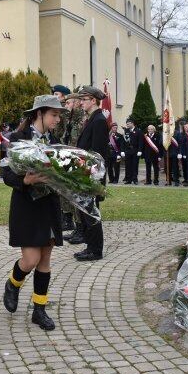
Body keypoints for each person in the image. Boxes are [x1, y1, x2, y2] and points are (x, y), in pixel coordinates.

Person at [2, 95, 66, 331]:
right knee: (31, 259)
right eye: (54, 114)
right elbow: (6, 175)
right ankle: (13, 283)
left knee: (45, 261)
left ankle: (39, 310)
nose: (57, 119)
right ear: (39, 114)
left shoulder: (55, 141)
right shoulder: (18, 139)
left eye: (59, 115)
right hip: (27, 207)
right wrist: (25, 180)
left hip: (49, 206)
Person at [73, 86, 108, 261]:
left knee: (91, 213)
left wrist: (93, 179)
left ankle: (95, 250)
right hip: (85, 174)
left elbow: (98, 154)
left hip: (91, 176)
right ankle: (90, 246)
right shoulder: (93, 119)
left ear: (93, 100)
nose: (80, 103)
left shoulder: (99, 120)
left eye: (84, 99)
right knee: (85, 212)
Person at [122, 118, 141, 184]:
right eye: (126, 124)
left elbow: (140, 142)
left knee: (135, 165)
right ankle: (128, 179)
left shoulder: (138, 131)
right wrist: (122, 151)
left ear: (132, 123)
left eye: (128, 124)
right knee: (128, 166)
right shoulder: (126, 131)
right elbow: (123, 142)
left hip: (135, 151)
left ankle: (135, 179)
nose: (127, 125)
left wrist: (139, 150)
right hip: (127, 151)